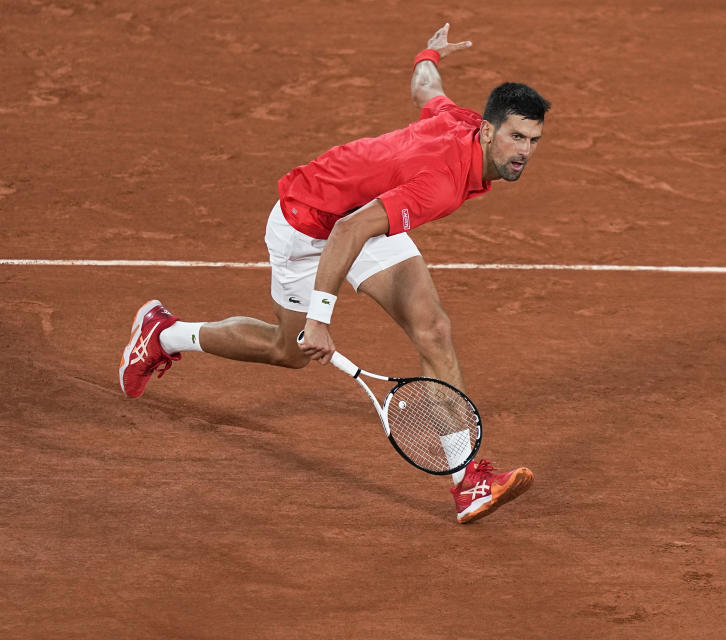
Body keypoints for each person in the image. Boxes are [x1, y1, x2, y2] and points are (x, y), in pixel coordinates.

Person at [118, 24, 550, 524]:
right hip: (309, 222)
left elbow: (426, 88)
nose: (524, 151)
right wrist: (320, 318)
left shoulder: (461, 121)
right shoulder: (441, 182)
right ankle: (166, 335)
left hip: (363, 215)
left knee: (433, 328)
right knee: (287, 350)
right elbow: (346, 231)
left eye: (534, 139)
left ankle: (467, 482)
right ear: (489, 130)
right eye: (516, 136)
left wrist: (429, 50)